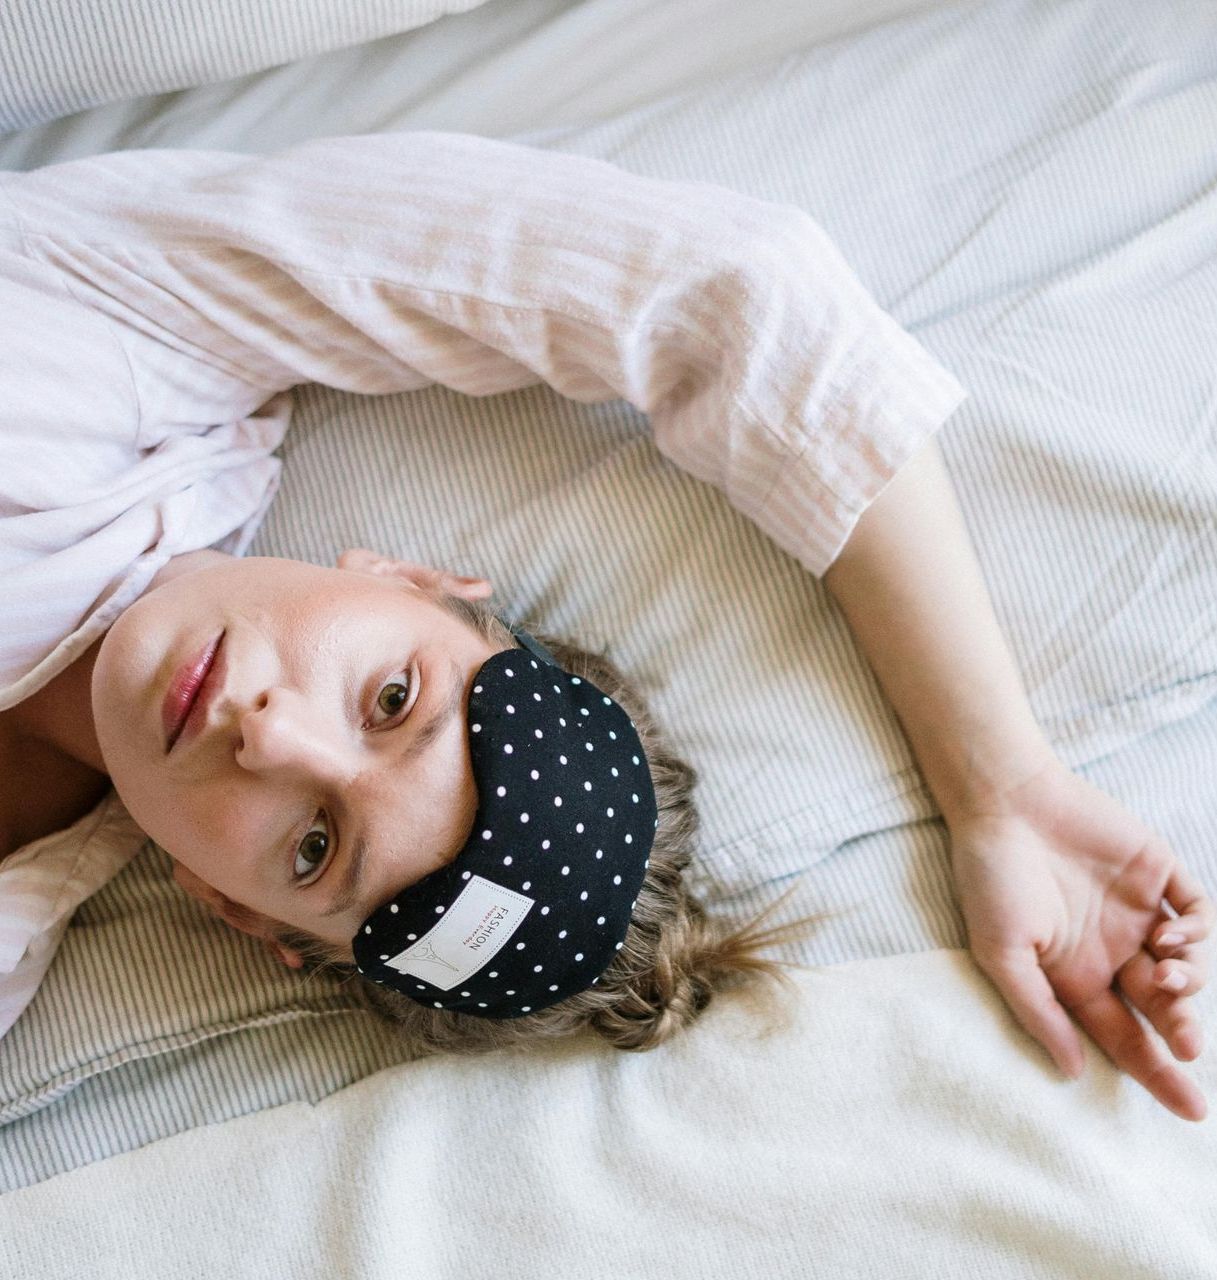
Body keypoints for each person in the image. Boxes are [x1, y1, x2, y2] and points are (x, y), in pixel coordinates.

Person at [0, 132, 1210, 1116]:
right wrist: (999, 780)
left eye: (314, 845)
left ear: (237, 909)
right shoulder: (129, 338)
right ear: (411, 577)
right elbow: (729, 293)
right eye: (390, 700)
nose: (269, 737)